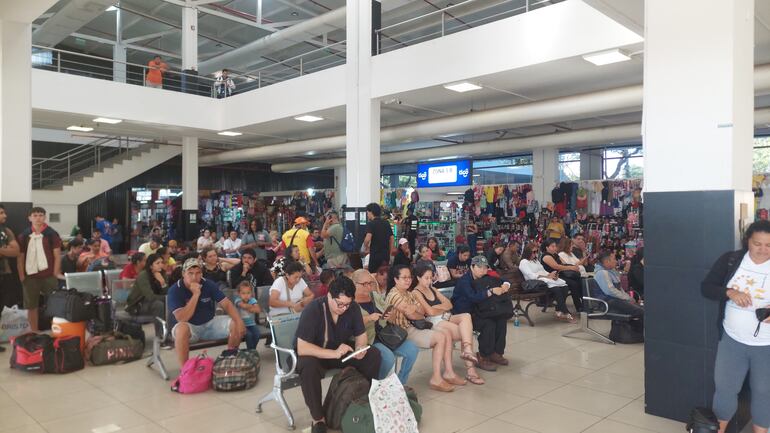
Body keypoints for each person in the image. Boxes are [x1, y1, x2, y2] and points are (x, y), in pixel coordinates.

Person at [702, 220, 770, 433]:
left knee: (764, 393)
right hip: (732, 341)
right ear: (747, 241)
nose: (763, 250)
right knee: (725, 390)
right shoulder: (731, 260)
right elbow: (707, 287)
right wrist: (729, 292)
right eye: (757, 243)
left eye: (769, 245)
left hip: (766, 345)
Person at [295, 276, 382, 433]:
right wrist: (333, 353)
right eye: (340, 304)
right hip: (314, 353)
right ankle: (318, 419)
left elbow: (361, 335)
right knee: (308, 366)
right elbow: (302, 348)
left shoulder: (352, 308)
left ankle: (364, 401)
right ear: (329, 296)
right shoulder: (313, 310)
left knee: (373, 354)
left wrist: (359, 348)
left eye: (347, 304)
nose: (343, 308)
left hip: (338, 350)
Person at [386, 264, 465, 392]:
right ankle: (436, 379)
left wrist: (416, 311)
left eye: (409, 277)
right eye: (404, 277)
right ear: (396, 279)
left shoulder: (408, 294)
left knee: (445, 335)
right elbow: (415, 314)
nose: (408, 280)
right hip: (401, 332)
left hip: (413, 328)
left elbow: (422, 313)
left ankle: (444, 375)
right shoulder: (394, 294)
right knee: (440, 337)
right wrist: (416, 311)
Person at [412, 263, 484, 385]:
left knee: (466, 316)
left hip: (445, 317)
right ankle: (469, 370)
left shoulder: (433, 289)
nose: (429, 281)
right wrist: (440, 307)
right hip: (434, 321)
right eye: (426, 278)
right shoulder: (416, 292)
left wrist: (436, 307)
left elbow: (449, 304)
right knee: (464, 332)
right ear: (418, 278)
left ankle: (467, 350)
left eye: (431, 277)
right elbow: (429, 312)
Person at [168, 258, 246, 366]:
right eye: (190, 273)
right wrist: (196, 295)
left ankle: (229, 361)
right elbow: (182, 318)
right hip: (190, 327)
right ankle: (185, 370)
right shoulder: (175, 289)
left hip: (210, 323)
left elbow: (226, 304)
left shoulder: (208, 284)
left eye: (198, 273)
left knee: (235, 323)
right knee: (181, 329)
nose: (194, 277)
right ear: (183, 274)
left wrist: (239, 321)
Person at [352, 269, 418, 384]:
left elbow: (389, 316)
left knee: (412, 349)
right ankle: (376, 386)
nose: (368, 287)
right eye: (364, 284)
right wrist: (369, 318)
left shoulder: (374, 295)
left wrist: (390, 315)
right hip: (368, 339)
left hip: (385, 334)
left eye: (371, 283)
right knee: (388, 358)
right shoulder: (350, 302)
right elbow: (349, 324)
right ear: (354, 284)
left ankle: (400, 383)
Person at [451, 256, 511, 371]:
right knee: (488, 323)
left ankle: (496, 352)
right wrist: (491, 291)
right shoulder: (464, 281)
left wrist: (505, 285)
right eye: (479, 268)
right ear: (472, 267)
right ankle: (483, 356)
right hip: (465, 315)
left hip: (481, 310)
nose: (483, 271)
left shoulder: (486, 276)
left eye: (485, 268)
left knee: (501, 319)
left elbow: (504, 280)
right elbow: (473, 297)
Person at [17, 207, 62, 332]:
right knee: (32, 307)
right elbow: (20, 257)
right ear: (30, 218)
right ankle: (34, 332)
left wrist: (55, 273)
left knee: (55, 305)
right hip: (30, 277)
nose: (38, 218)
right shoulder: (24, 235)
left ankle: (56, 330)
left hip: (49, 276)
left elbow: (57, 256)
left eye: (41, 215)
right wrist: (21, 276)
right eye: (35, 215)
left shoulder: (51, 234)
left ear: (45, 217)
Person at [518, 243, 575, 323]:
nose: (535, 254)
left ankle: (559, 310)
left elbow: (543, 270)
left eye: (536, 252)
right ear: (528, 252)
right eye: (533, 252)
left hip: (544, 280)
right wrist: (547, 277)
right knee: (557, 290)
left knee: (564, 287)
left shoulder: (535, 261)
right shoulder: (524, 262)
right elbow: (531, 276)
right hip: (535, 284)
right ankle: (565, 312)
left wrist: (551, 275)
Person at [594, 250, 644, 319]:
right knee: (639, 311)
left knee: (640, 308)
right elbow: (611, 291)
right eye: (614, 259)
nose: (616, 261)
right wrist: (627, 298)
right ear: (607, 262)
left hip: (615, 300)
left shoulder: (612, 272)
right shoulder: (602, 273)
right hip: (606, 303)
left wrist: (628, 298)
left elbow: (620, 289)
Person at [541, 238, 583, 312]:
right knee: (573, 284)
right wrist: (571, 267)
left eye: (555, 246)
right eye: (552, 246)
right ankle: (579, 306)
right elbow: (556, 266)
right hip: (552, 277)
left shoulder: (555, 254)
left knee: (579, 280)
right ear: (547, 247)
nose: (555, 248)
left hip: (560, 274)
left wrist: (573, 267)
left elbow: (563, 263)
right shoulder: (546, 256)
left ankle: (584, 302)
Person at [126, 253, 167, 318]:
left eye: (162, 262)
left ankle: (171, 327)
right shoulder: (143, 275)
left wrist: (163, 283)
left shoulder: (162, 274)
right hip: (137, 305)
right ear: (151, 266)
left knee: (171, 303)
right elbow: (150, 297)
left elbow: (166, 293)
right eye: (157, 263)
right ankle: (161, 328)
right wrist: (167, 298)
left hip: (153, 302)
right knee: (159, 305)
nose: (161, 265)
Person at [363, 203, 394, 272]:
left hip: (375, 255)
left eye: (367, 212)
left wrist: (365, 247)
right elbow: (392, 238)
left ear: (371, 212)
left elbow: (368, 239)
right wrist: (391, 252)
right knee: (384, 274)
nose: (367, 214)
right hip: (385, 255)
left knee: (374, 274)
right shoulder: (386, 223)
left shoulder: (371, 224)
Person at [0, 204, 20, 313]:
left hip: (5, 274)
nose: (5, 215)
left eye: (4, 212)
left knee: (3, 308)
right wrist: (5, 249)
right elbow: (10, 250)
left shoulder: (6, 231)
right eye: (1, 213)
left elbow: (16, 251)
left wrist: (1, 251)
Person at [234, 281, 261, 350]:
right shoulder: (238, 300)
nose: (246, 295)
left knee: (257, 334)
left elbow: (258, 310)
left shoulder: (252, 300)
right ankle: (250, 351)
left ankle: (251, 350)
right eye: (243, 293)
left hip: (252, 324)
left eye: (248, 293)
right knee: (249, 335)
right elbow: (243, 306)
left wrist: (251, 308)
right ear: (239, 294)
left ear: (251, 293)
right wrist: (251, 307)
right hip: (242, 325)